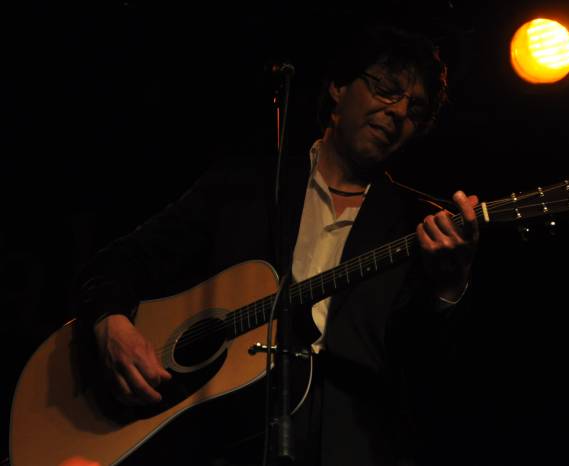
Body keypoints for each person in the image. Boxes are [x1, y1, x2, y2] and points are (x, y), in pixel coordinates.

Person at [73, 21, 479, 466]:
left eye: (415, 109)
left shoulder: (419, 224)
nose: (398, 112)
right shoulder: (244, 187)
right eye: (386, 89)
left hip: (349, 445)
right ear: (339, 88)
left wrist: (449, 285)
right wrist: (109, 323)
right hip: (216, 441)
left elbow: (432, 374)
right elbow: (122, 259)